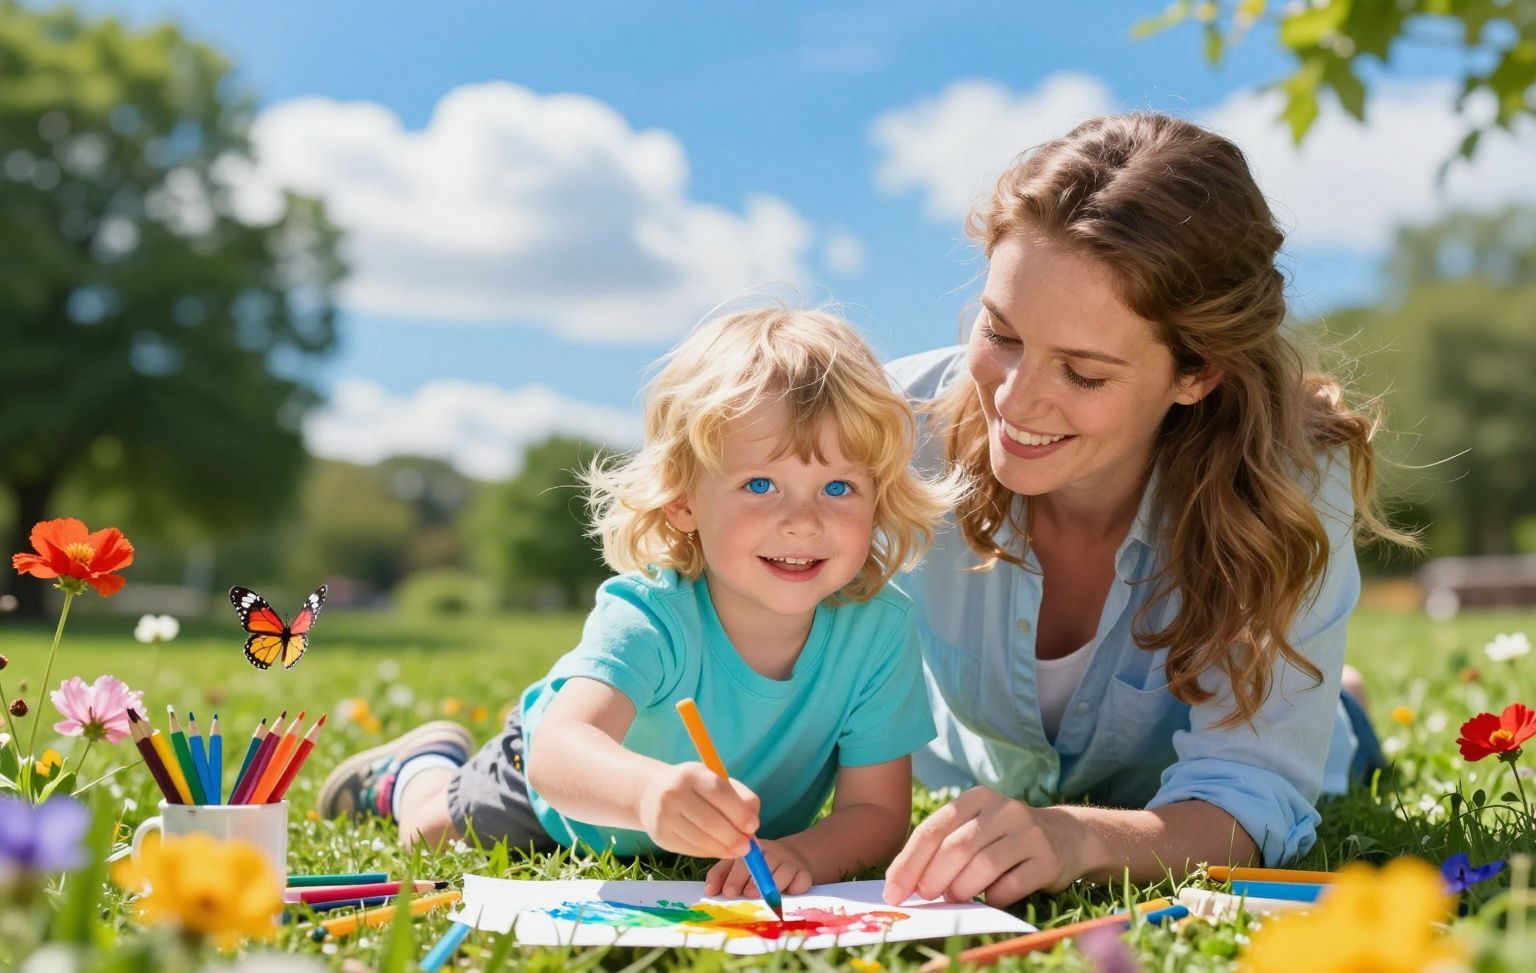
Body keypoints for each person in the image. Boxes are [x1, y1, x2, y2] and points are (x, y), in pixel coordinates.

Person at [879, 113, 1404, 910]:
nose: (1014, 401)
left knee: (1328, 732)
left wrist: (1076, 838)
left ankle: (1341, 707)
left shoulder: (1293, 481)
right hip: (974, 765)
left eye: (1084, 373)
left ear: (1197, 374)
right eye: (1002, 333)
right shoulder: (884, 427)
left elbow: (1251, 789)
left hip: (1218, 782)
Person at [320, 307, 963, 897]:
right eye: (760, 484)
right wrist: (648, 794)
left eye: (839, 487)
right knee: (429, 833)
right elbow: (560, 752)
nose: (803, 520)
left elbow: (876, 812)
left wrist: (805, 853)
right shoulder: (652, 613)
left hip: (720, 843)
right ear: (683, 501)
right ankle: (418, 767)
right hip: (562, 803)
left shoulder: (878, 630)